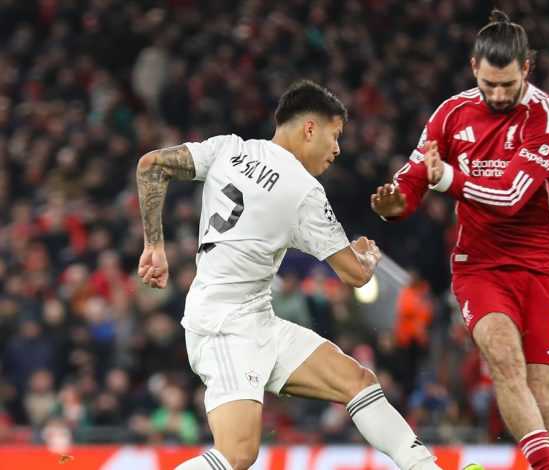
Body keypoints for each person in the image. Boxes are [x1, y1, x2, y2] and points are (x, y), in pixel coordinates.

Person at [136, 80, 440, 470]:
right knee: (237, 454)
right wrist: (365, 254)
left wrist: (154, 245)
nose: (337, 149)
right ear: (309, 129)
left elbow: (151, 165)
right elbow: (356, 276)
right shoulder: (302, 191)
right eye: (335, 135)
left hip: (254, 318)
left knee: (357, 381)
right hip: (224, 327)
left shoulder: (229, 148)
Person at [371, 10, 549, 470]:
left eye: (508, 84)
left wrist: (447, 177)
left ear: (527, 68)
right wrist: (396, 202)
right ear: (473, 68)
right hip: (480, 265)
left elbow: (510, 195)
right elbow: (413, 178)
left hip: (546, 265)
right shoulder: (450, 114)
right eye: (489, 84)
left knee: (545, 393)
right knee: (504, 360)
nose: (499, 94)